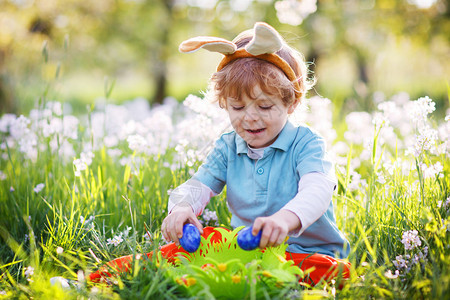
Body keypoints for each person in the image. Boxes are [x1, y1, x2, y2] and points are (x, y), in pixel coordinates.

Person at [88, 22, 350, 286]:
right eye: (237, 107)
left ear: (291, 102)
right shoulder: (228, 146)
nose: (250, 117)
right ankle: (94, 279)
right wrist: (182, 208)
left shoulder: (306, 143)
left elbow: (317, 190)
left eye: (264, 105)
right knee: (183, 251)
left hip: (304, 253)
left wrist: (284, 220)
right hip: (247, 251)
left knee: (331, 272)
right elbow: (199, 185)